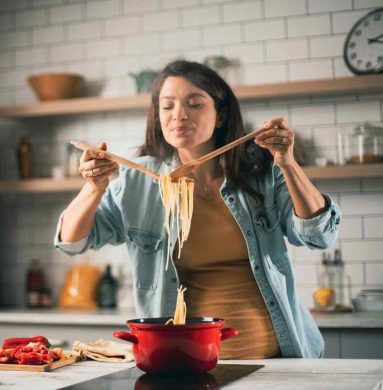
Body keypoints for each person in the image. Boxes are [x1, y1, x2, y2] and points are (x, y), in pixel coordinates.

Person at [54, 59, 341, 359]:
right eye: (168, 106)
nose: (179, 114)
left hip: (280, 357)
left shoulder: (261, 169)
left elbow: (319, 236)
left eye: (194, 103)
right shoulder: (138, 179)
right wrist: (93, 187)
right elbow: (73, 242)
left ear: (220, 115)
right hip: (184, 361)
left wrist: (287, 163)